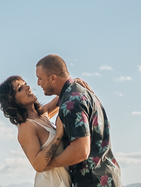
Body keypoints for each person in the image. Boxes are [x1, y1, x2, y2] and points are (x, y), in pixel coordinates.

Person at [35, 54, 122, 187]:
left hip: (91, 181)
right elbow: (44, 111)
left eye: (40, 78)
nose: (38, 83)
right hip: (106, 177)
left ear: (53, 78)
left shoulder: (71, 103)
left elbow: (81, 151)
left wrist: (49, 164)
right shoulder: (81, 93)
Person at [0, 74, 70, 187]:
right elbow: (38, 165)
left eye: (25, 84)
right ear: (13, 100)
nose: (28, 87)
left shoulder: (42, 115)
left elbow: (64, 96)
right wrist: (58, 135)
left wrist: (74, 83)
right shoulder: (26, 126)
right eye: (20, 88)